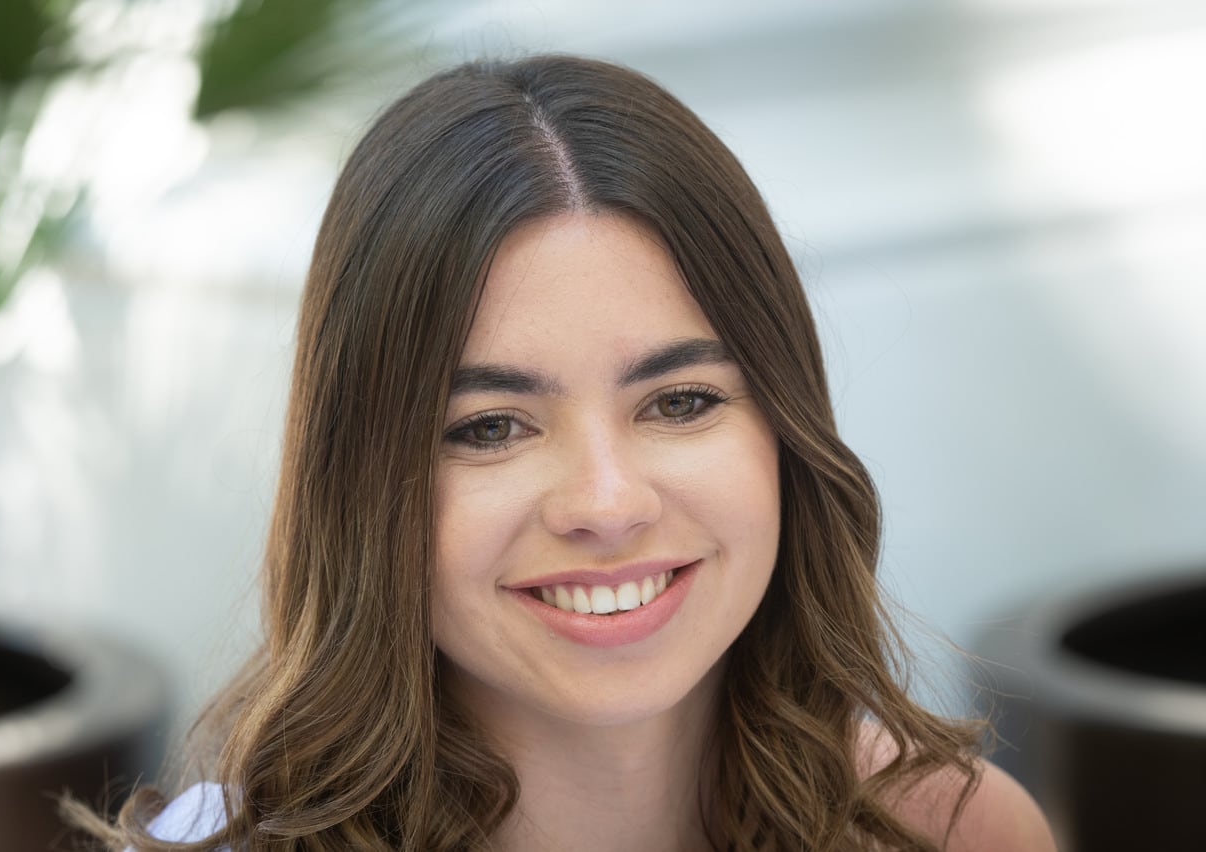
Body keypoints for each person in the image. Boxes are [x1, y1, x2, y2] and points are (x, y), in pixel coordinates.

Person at [67, 54, 1056, 851]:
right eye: (488, 427)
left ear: (785, 435)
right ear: (360, 484)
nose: (605, 501)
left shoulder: (947, 830)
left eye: (679, 401)